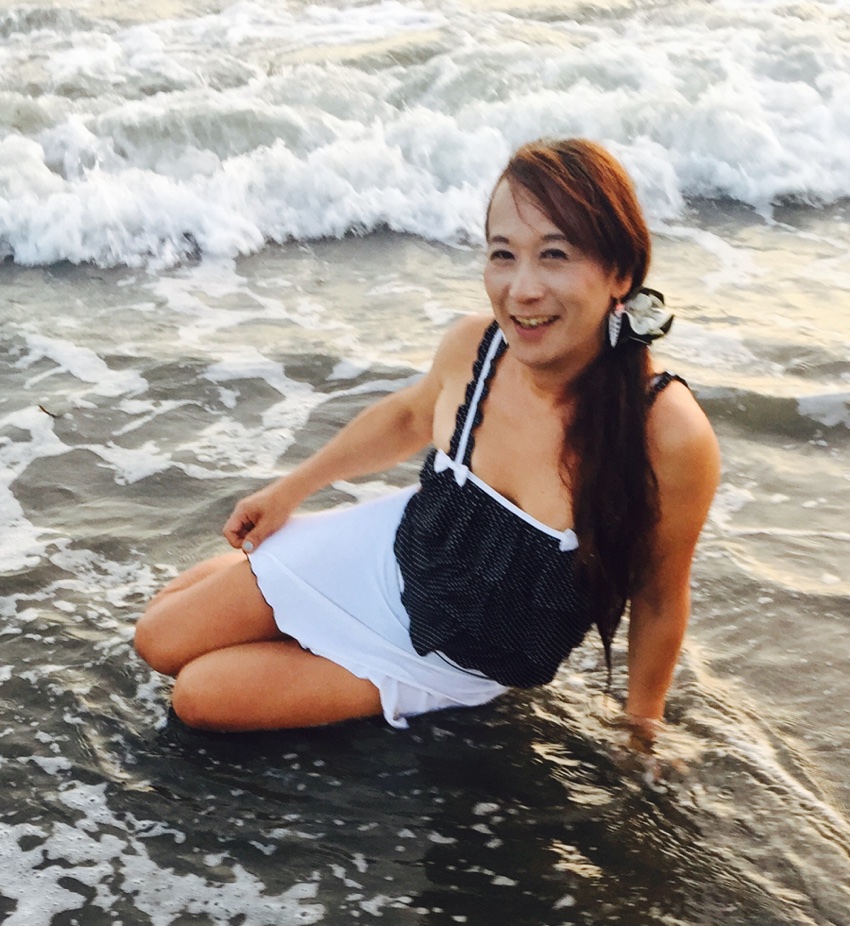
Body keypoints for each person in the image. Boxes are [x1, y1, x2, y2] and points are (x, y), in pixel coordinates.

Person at [134, 138, 720, 742]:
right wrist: (289, 492)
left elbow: (659, 595)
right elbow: (407, 418)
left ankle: (286, 596)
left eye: (554, 255)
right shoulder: (477, 347)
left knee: (200, 696)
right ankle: (289, 576)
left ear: (620, 273)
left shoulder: (665, 433)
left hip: (449, 662)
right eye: (502, 254)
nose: (521, 289)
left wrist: (642, 727)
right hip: (389, 555)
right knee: (157, 637)